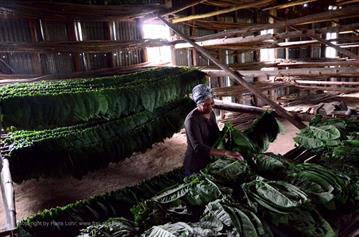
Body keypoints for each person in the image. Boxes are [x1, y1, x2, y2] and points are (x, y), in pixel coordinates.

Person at [183, 84, 244, 176]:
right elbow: (198, 148)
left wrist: (227, 134)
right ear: (197, 104)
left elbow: (215, 133)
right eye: (206, 105)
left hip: (209, 159)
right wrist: (226, 153)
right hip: (195, 164)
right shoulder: (191, 120)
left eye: (212, 103)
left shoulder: (211, 114)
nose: (210, 107)